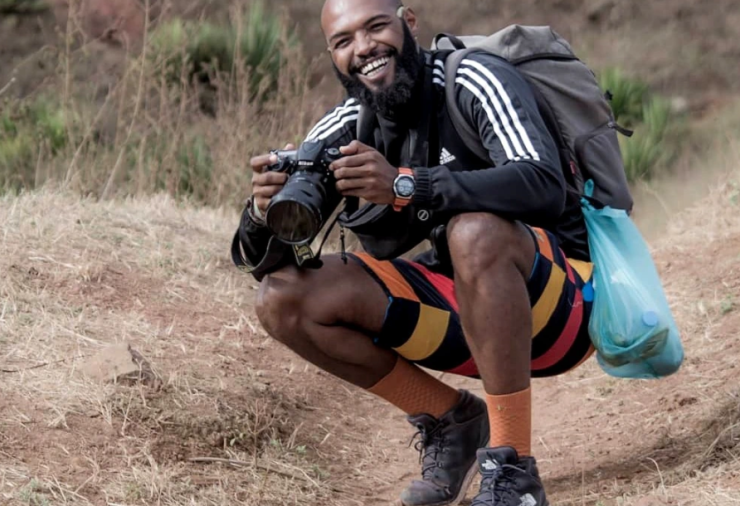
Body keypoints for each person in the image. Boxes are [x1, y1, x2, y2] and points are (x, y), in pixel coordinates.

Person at [233, 0, 596, 504]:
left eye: (375, 27)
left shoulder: (472, 80)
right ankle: (454, 421)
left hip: (562, 310)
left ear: (409, 22)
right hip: (465, 318)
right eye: (343, 41)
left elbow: (541, 183)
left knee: (473, 233)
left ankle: (512, 466)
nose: (363, 49)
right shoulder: (344, 127)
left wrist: (407, 185)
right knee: (281, 298)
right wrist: (259, 212)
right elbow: (261, 267)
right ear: (333, 54)